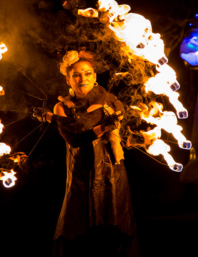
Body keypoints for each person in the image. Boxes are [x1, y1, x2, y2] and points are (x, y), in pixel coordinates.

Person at [32, 50, 138, 257]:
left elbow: (122, 122)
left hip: (111, 172)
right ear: (68, 79)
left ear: (95, 77)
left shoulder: (110, 100)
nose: (83, 78)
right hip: (82, 173)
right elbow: (75, 136)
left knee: (115, 223)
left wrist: (50, 118)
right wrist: (101, 128)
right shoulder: (62, 107)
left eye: (88, 73)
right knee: (78, 227)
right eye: (76, 74)